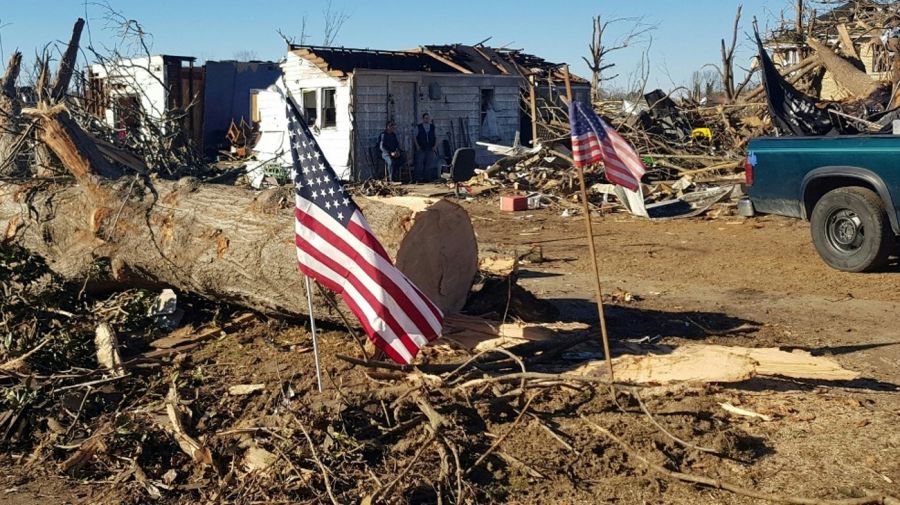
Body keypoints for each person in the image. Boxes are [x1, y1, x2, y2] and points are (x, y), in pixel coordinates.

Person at [414, 113, 438, 182]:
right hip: (421, 147)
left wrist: (435, 146)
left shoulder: (432, 127)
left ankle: (427, 178)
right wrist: (417, 146)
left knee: (429, 164)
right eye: (425, 118)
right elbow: (415, 137)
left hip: (430, 148)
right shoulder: (419, 127)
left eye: (428, 118)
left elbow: (436, 137)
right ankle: (418, 179)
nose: (426, 119)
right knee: (419, 164)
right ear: (423, 119)